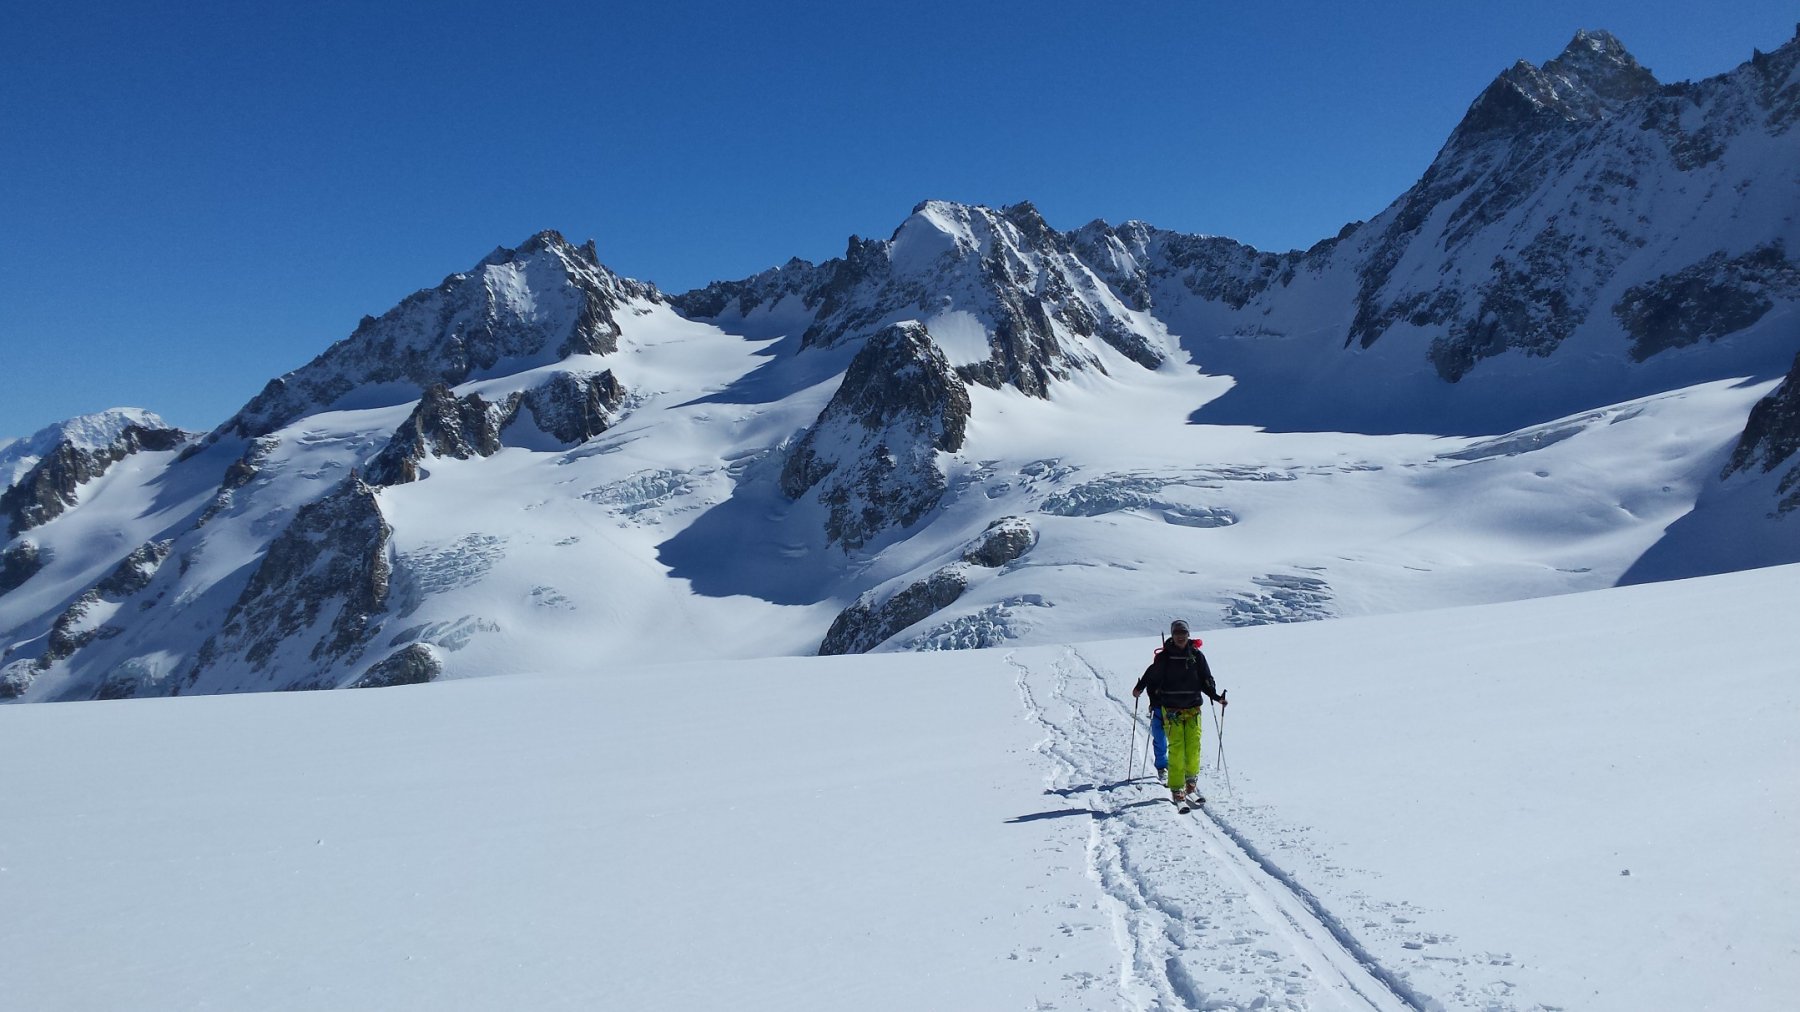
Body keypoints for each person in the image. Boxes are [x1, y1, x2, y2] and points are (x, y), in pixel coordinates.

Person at [1132, 619, 1226, 806]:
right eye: (1177, 633)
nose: (1181, 636)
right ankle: (1177, 787)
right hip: (1172, 709)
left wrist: (1216, 697)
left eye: (1183, 633)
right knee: (1176, 749)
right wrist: (1139, 687)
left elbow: (1206, 679)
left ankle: (1191, 782)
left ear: (1188, 635)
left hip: (1193, 709)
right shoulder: (1164, 657)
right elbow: (1151, 674)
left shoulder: (1197, 656)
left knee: (1193, 747)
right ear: (1172, 635)